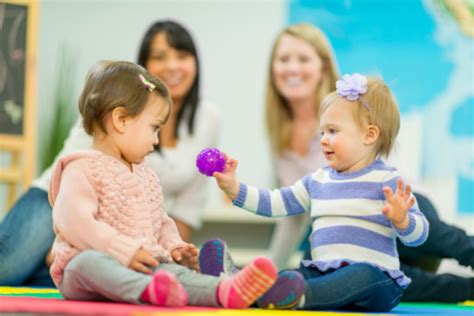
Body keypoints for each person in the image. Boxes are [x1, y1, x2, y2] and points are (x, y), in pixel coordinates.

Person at [0, 20, 218, 286]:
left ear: (195, 63)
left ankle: (61, 266)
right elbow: (78, 175)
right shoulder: (111, 109)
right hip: (57, 202)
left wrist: (171, 251)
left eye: (182, 56)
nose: (172, 66)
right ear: (144, 67)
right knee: (7, 271)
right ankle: (60, 261)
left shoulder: (207, 119)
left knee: (95, 274)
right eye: (160, 56)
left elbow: (189, 203)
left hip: (119, 224)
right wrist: (72, 239)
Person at [49, 60, 277, 307]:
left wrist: (173, 246)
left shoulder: (145, 173)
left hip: (142, 266)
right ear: (121, 120)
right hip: (85, 272)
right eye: (154, 128)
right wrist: (121, 250)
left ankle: (224, 290)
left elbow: (161, 221)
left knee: (172, 273)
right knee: (88, 264)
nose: (157, 140)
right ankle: (149, 289)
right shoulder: (80, 167)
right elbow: (75, 223)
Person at [208, 73, 430, 311]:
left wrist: (403, 220)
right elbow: (275, 203)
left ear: (369, 135)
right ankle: (240, 286)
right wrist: (234, 189)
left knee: (363, 274)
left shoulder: (386, 181)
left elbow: (419, 235)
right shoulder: (317, 180)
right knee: (291, 274)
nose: (323, 140)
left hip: (378, 282)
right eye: (322, 132)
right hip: (323, 272)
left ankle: (297, 295)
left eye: (333, 131)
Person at [263, 23, 339, 270]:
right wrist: (268, 273)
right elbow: (293, 215)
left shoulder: (345, 117)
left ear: (323, 68)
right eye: (284, 59)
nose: (292, 68)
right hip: (335, 246)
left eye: (304, 59)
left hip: (389, 226)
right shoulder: (279, 134)